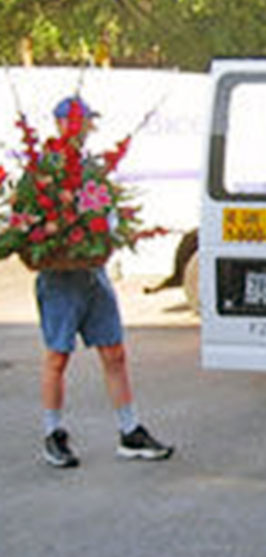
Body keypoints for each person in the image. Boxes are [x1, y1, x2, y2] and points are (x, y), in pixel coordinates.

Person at [38, 96, 174, 468]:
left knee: (114, 352)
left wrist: (109, 231)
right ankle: (53, 434)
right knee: (57, 356)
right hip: (60, 278)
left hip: (93, 274)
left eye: (89, 123)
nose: (86, 129)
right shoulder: (44, 168)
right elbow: (34, 215)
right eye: (80, 122)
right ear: (62, 124)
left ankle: (130, 432)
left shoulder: (90, 168)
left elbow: (105, 209)